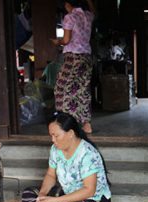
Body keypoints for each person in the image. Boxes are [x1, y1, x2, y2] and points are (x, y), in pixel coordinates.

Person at [21, 112, 111, 202]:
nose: (53, 140)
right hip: (68, 194)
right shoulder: (55, 149)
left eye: (56, 135)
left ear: (70, 133)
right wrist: (42, 194)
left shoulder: (87, 154)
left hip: (94, 201)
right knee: (28, 195)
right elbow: (50, 175)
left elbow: (89, 191)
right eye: (51, 136)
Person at [51, 0, 95, 134]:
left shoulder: (69, 17)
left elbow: (66, 40)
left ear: (69, 4)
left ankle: (65, 123)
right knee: (82, 89)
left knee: (61, 88)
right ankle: (86, 124)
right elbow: (94, 11)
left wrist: (57, 42)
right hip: (86, 57)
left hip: (73, 58)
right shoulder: (88, 15)